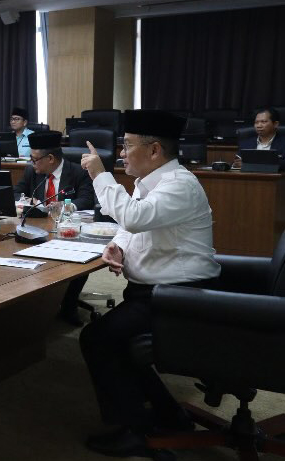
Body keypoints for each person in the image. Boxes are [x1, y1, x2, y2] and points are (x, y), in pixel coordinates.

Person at [78, 109, 221, 458]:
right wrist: (118, 245)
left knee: (96, 338)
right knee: (120, 342)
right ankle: (169, 416)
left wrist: (99, 174)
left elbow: (134, 216)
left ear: (155, 150)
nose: (122, 153)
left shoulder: (180, 185)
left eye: (128, 145)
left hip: (179, 298)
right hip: (154, 292)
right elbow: (133, 225)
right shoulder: (150, 182)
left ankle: (136, 431)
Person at [14, 130, 95, 325]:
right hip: (36, 228)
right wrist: (26, 200)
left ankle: (68, 305)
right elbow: (17, 192)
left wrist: (66, 206)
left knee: (77, 262)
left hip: (68, 230)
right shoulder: (31, 172)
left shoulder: (78, 172)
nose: (32, 163)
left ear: (50, 158)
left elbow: (86, 199)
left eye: (35, 159)